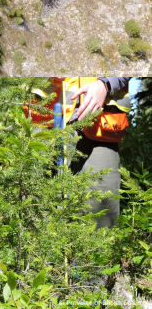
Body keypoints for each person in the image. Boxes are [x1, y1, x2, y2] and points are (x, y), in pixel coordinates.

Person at [28, 77, 132, 228]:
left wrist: (106, 84)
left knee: (101, 222)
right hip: (44, 122)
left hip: (99, 126)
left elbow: (136, 56)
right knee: (36, 217)